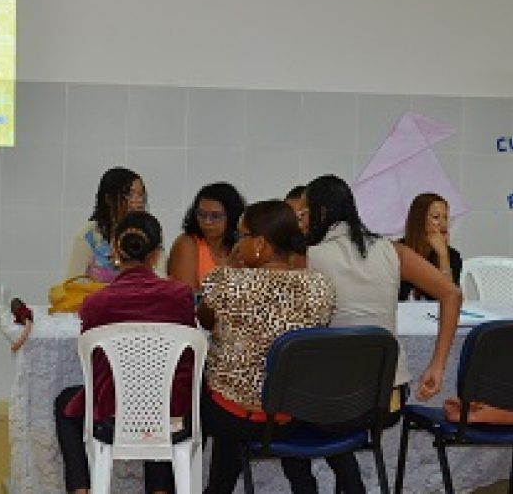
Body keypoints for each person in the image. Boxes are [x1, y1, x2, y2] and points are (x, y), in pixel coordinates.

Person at [198, 200, 352, 494]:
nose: (236, 243)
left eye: (241, 236)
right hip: (291, 414)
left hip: (234, 415)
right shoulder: (320, 286)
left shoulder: (227, 281)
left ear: (259, 244)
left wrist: (228, 266)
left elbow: (204, 319)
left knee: (201, 393)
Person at [53, 211, 196, 494]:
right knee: (161, 394)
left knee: (64, 403)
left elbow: (96, 363)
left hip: (111, 411)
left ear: (115, 251)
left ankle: (82, 490)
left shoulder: (96, 302)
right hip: (169, 411)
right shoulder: (180, 296)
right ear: (156, 254)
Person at [304, 176, 461, 408]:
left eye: (304, 214)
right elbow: (452, 294)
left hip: (330, 402)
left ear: (321, 212)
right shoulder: (393, 251)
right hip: (388, 399)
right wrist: (437, 366)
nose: (301, 223)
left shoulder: (308, 257)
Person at [65, 167, 146, 282]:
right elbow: (71, 285)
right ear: (108, 199)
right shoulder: (88, 236)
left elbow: (159, 279)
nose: (138, 201)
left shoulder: (148, 235)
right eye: (130, 195)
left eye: (141, 195)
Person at [166, 182, 245, 291]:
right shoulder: (187, 243)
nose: (207, 222)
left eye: (215, 216)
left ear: (232, 216)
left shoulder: (242, 245)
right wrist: (227, 272)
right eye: (202, 214)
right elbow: (188, 299)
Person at [396, 192, 463, 300]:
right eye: (436, 217)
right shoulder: (399, 251)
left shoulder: (452, 255)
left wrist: (443, 256)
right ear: (419, 220)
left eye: (445, 218)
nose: (443, 224)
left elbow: (451, 299)